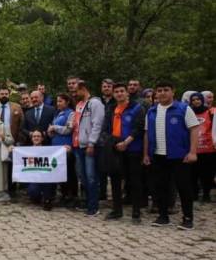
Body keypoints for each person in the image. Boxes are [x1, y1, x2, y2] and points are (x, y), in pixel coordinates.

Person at [144, 81, 199, 229]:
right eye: (159, 90)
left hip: (179, 155)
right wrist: (146, 154)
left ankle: (188, 218)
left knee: (184, 187)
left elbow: (194, 129)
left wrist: (193, 151)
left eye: (166, 90)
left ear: (173, 91)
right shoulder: (152, 111)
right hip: (158, 155)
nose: (162, 93)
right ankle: (163, 216)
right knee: (160, 187)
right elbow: (147, 133)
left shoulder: (183, 109)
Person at [102, 83, 145, 222]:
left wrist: (126, 142)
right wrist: (113, 142)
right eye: (116, 92)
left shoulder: (137, 108)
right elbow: (105, 129)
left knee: (134, 181)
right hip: (115, 149)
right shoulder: (111, 108)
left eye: (122, 91)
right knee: (115, 180)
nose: (119, 94)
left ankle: (136, 212)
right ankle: (117, 210)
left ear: (127, 93)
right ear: (113, 94)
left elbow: (138, 128)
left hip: (132, 149)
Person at [73, 80, 105, 216]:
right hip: (79, 145)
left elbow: (97, 124)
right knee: (83, 177)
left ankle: (94, 206)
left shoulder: (95, 103)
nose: (74, 94)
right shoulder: (79, 105)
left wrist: (92, 142)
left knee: (92, 177)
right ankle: (87, 202)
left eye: (76, 91)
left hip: (89, 146)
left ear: (83, 89)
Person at [47, 93, 77, 207]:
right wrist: (50, 132)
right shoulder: (57, 113)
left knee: (69, 172)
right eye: (57, 101)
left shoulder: (71, 113)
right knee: (59, 172)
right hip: (55, 147)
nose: (58, 103)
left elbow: (69, 129)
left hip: (66, 147)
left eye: (60, 101)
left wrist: (55, 127)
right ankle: (64, 195)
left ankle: (72, 196)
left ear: (67, 102)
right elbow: (53, 130)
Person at [189, 92, 214, 203]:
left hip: (208, 149)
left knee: (207, 173)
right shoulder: (189, 112)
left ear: (202, 100)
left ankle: (206, 194)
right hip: (193, 148)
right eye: (193, 100)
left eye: (198, 99)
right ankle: (194, 193)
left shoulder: (210, 112)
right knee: (193, 173)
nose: (196, 101)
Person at [26, 129, 57, 210]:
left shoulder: (49, 150)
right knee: (33, 191)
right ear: (31, 138)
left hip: (46, 179)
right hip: (33, 179)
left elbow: (58, 155)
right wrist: (12, 150)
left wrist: (65, 149)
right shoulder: (25, 150)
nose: (36, 138)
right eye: (34, 136)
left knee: (49, 182)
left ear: (42, 138)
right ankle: (37, 198)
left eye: (38, 136)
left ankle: (47, 200)